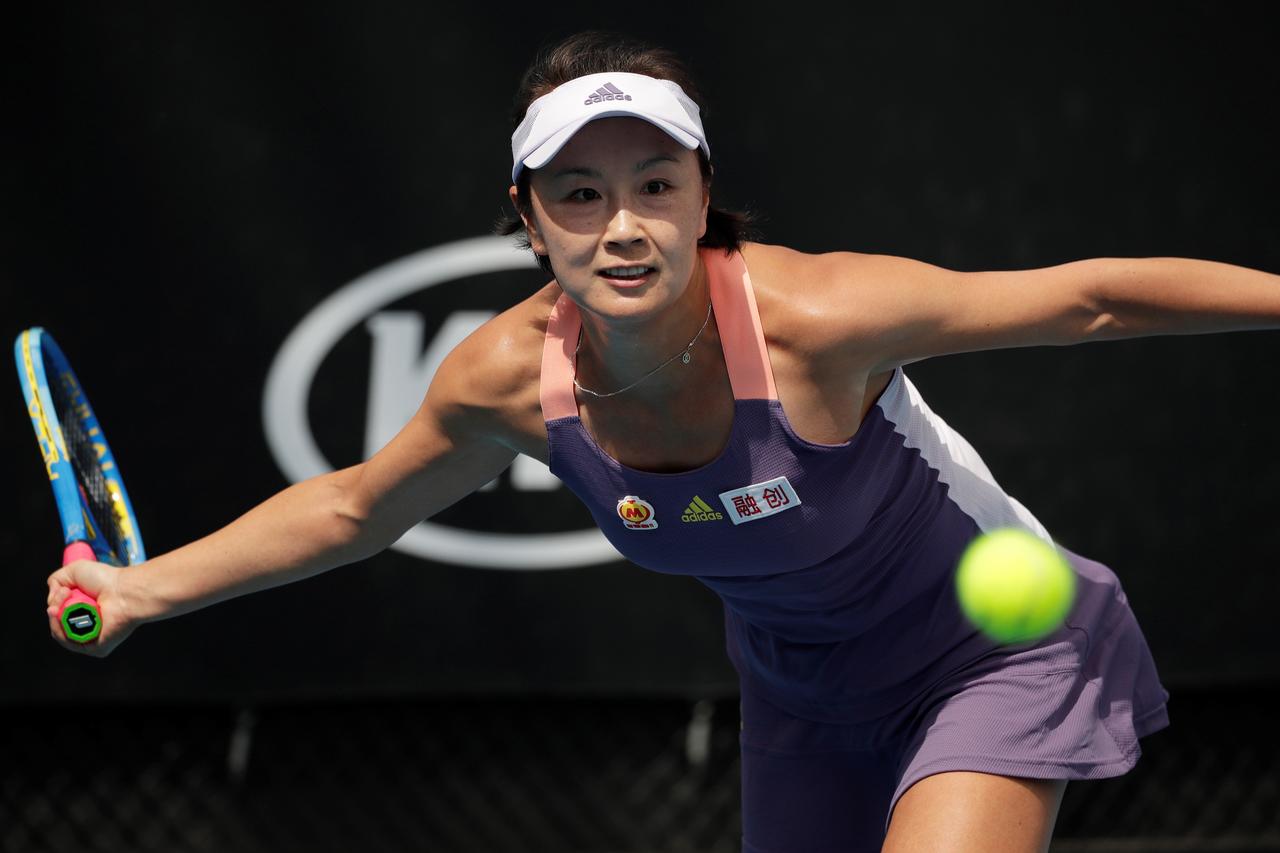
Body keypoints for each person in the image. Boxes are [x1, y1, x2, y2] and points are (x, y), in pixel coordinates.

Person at [46, 30, 1279, 852]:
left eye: (653, 183)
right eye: (579, 193)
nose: (622, 224)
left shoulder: (812, 320)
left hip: (991, 649)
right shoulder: (501, 382)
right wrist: (144, 589)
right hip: (800, 689)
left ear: (700, 195)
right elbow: (353, 508)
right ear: (528, 217)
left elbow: (1089, 299)